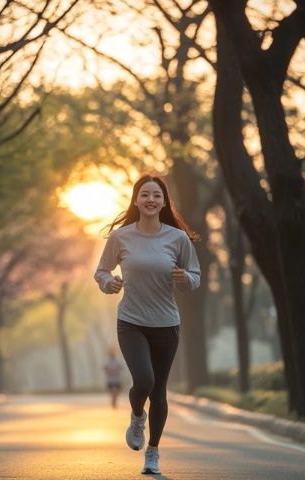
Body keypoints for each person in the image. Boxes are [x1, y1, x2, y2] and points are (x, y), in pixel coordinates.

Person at [94, 173, 200, 476]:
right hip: (131, 321)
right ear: (136, 200)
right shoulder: (121, 237)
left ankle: (152, 452)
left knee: (160, 391)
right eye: (145, 194)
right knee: (144, 380)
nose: (151, 199)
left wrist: (186, 279)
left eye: (157, 195)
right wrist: (108, 283)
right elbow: (102, 270)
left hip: (166, 323)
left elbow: (195, 275)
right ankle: (137, 416)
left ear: (164, 201)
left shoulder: (177, 238)